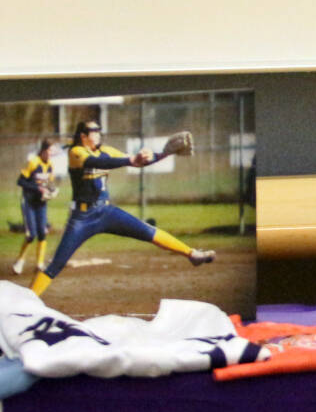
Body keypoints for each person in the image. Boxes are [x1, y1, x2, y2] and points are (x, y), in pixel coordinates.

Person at [29, 120, 214, 296]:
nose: (98, 133)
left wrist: (164, 153)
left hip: (106, 212)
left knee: (147, 231)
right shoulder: (76, 152)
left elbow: (136, 162)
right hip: (82, 217)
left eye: (98, 129)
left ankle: (192, 254)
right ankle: (26, 300)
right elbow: (97, 163)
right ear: (83, 136)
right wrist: (130, 159)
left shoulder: (106, 150)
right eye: (94, 130)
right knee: (57, 264)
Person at [12, 139, 59, 275]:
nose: (51, 153)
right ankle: (20, 261)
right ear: (43, 150)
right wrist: (38, 188)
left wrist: (52, 190)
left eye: (53, 151)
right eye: (50, 150)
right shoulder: (33, 162)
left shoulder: (50, 165)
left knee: (42, 233)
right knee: (31, 235)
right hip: (29, 202)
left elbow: (49, 183)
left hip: (41, 204)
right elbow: (20, 181)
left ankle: (39, 264)